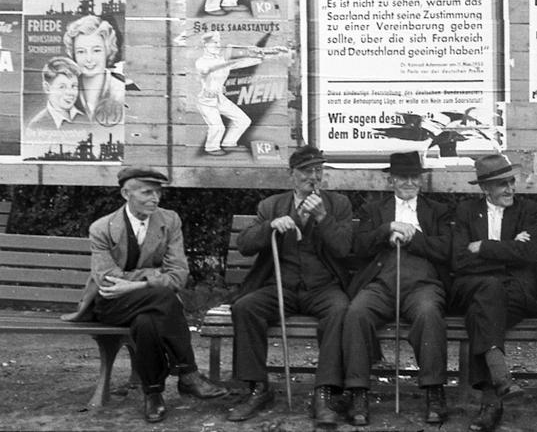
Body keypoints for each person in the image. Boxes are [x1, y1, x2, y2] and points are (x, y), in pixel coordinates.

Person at [61, 166, 227, 423]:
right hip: (110, 302)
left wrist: (134, 285)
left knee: (147, 321)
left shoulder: (169, 221)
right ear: (126, 193)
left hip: (144, 301)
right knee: (164, 296)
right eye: (147, 192)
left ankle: (153, 395)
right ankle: (188, 374)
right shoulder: (102, 228)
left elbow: (179, 275)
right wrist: (152, 277)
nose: (155, 198)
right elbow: (107, 278)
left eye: (158, 192)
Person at [227, 145, 353, 424]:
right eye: (306, 171)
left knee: (340, 310)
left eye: (318, 170)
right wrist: (271, 225)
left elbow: (344, 249)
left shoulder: (338, 204)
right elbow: (245, 245)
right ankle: (258, 388)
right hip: (280, 288)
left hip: (323, 288)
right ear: (291, 175)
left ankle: (324, 393)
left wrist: (322, 217)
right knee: (246, 307)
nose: (314, 177)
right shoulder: (271, 205)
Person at [342, 151, 452, 427]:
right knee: (357, 312)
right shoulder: (372, 210)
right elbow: (359, 247)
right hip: (382, 282)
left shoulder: (437, 211)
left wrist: (413, 237)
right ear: (391, 180)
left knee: (429, 314)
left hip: (422, 284)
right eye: (403, 177)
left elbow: (447, 250)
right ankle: (358, 392)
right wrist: (386, 230)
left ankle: (434, 391)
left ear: (421, 180)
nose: (409, 182)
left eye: (414, 177)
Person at [451, 154, 537, 432]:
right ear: (484, 189)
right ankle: (499, 378)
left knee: (482, 312)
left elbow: (528, 254)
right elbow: (458, 260)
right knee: (488, 293)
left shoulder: (527, 210)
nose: (510, 188)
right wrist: (507, 248)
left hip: (514, 291)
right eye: (501, 184)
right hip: (472, 286)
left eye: (511, 181)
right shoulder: (466, 211)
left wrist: (484, 247)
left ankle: (491, 401)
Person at [194, 31, 255, 155]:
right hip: (206, 100)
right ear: (205, 45)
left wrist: (258, 57)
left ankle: (229, 143)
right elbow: (204, 71)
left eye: (218, 42)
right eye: (214, 42)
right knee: (217, 127)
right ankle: (212, 147)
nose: (218, 45)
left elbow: (237, 64)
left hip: (220, 98)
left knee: (243, 120)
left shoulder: (221, 59)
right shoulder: (201, 61)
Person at [63, 14, 125, 126]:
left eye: (96, 50)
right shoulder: (65, 92)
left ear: (108, 50)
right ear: (74, 55)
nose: (89, 59)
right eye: (81, 51)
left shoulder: (121, 92)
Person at [27, 56, 85, 130]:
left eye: (74, 86)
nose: (70, 92)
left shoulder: (86, 119)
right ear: (47, 88)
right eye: (62, 87)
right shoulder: (36, 125)